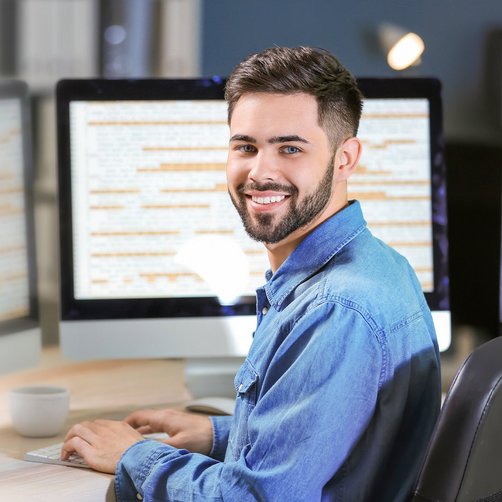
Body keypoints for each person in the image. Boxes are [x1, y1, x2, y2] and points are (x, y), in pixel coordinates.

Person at [62, 46, 441, 501]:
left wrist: (135, 455)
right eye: (246, 147)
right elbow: (335, 437)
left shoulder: (335, 310)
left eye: (290, 148)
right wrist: (221, 434)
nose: (261, 173)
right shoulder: (378, 263)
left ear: (345, 159)